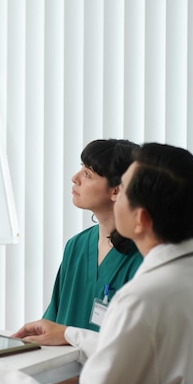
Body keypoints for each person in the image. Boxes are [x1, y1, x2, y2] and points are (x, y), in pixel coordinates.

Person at [0, 143, 193, 384]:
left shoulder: (141, 300)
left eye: (123, 189)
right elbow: (132, 347)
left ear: (140, 220)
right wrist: (70, 333)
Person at [19, 139, 143, 339]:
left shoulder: (141, 257)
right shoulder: (76, 246)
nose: (75, 178)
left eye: (88, 174)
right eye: (81, 169)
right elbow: (54, 320)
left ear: (116, 191)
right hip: (63, 367)